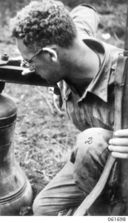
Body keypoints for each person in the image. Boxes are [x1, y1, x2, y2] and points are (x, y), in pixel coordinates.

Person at [10, 0, 128, 215]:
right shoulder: (71, 38)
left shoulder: (123, 75)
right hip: (95, 161)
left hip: (120, 164)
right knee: (44, 209)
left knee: (89, 141)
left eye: (30, 62)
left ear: (52, 55)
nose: (28, 68)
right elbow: (86, 11)